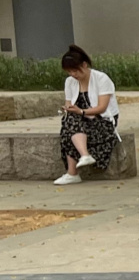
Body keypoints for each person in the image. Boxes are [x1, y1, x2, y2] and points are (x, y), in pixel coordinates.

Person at [54, 45, 120, 186]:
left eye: (75, 70)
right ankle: (83, 157)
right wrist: (68, 109)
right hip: (79, 121)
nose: (73, 74)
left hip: (103, 121)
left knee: (70, 125)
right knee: (68, 123)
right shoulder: (70, 82)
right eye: (69, 72)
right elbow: (69, 104)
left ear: (84, 65)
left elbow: (102, 108)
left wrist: (82, 112)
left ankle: (73, 172)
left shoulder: (101, 79)